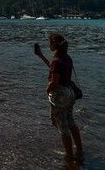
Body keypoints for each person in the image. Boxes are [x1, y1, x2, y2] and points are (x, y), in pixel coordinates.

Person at [34, 33, 83, 164]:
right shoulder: (66, 58)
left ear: (54, 45)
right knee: (71, 122)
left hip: (60, 96)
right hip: (70, 93)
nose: (48, 45)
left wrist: (47, 90)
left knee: (63, 126)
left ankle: (69, 157)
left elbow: (54, 81)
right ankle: (79, 150)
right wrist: (41, 56)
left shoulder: (57, 60)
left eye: (49, 43)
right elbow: (54, 68)